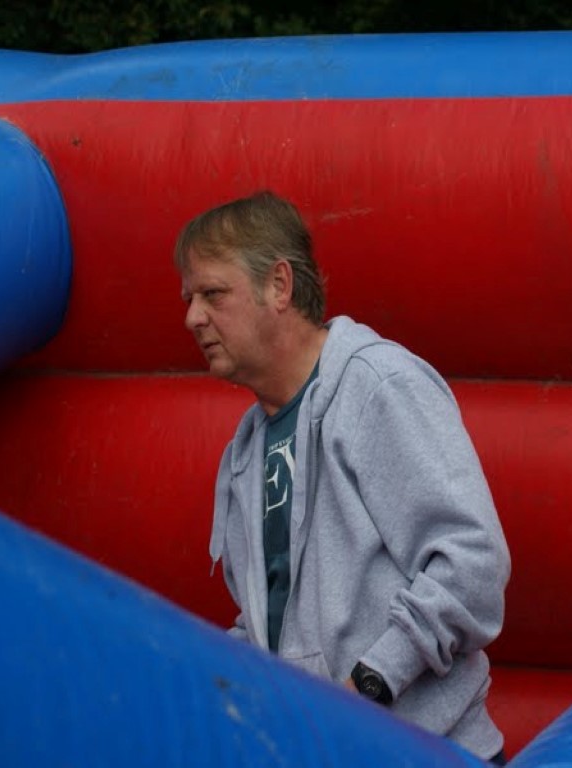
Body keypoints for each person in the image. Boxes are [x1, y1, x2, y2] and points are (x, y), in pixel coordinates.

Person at [175, 190, 511, 764]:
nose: (192, 317)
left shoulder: (377, 386)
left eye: (212, 294)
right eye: (188, 298)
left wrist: (371, 684)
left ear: (279, 285)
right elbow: (273, 628)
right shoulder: (245, 450)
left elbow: (472, 564)